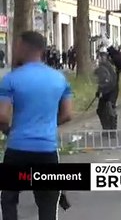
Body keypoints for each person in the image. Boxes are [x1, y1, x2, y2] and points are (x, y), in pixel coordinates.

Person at [0, 31, 73, 220]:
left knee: (8, 198)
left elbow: (2, 117)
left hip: (17, 149)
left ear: (24, 47)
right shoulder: (60, 79)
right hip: (47, 149)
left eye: (16, 46)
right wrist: (47, 126)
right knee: (48, 201)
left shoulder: (10, 79)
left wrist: (9, 131)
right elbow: (67, 115)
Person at [95, 46, 119, 132]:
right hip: (105, 91)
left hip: (112, 91)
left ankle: (112, 130)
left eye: (103, 55)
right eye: (101, 55)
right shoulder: (101, 67)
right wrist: (99, 91)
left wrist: (104, 90)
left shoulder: (111, 66)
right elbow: (100, 80)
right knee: (100, 110)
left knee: (110, 109)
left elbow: (112, 81)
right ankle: (106, 128)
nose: (101, 57)